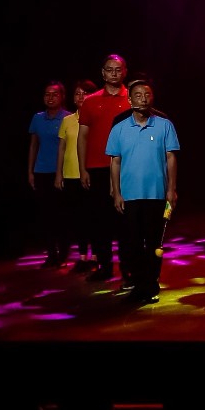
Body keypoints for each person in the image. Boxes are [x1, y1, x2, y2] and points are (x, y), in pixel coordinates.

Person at [105, 80, 180, 305]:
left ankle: (151, 284)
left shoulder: (165, 125)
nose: (143, 98)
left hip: (157, 195)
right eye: (138, 95)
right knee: (133, 243)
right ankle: (138, 285)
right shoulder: (119, 128)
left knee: (154, 243)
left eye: (147, 94)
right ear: (129, 100)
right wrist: (116, 192)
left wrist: (171, 189)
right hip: (129, 196)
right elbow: (115, 161)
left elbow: (171, 158)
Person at [76, 54, 132, 282]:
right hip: (98, 167)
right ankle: (105, 266)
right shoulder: (90, 101)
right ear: (102, 72)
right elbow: (82, 137)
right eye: (110, 69)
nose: (114, 73)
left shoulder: (132, 98)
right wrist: (83, 169)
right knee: (100, 220)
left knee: (126, 220)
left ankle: (128, 267)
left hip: (127, 167)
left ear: (124, 72)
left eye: (118, 69)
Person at [54, 78, 98, 271]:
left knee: (93, 217)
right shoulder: (67, 120)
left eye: (85, 93)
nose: (81, 97)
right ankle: (82, 257)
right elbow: (61, 148)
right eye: (77, 93)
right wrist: (58, 174)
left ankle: (96, 256)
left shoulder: (96, 118)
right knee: (78, 218)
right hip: (70, 175)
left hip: (90, 173)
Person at [28, 82, 69, 267]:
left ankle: (63, 253)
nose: (50, 97)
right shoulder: (37, 118)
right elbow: (33, 145)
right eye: (47, 94)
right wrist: (30, 171)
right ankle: (51, 254)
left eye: (54, 94)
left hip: (62, 172)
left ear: (62, 97)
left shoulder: (67, 118)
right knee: (46, 216)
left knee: (61, 214)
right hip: (42, 171)